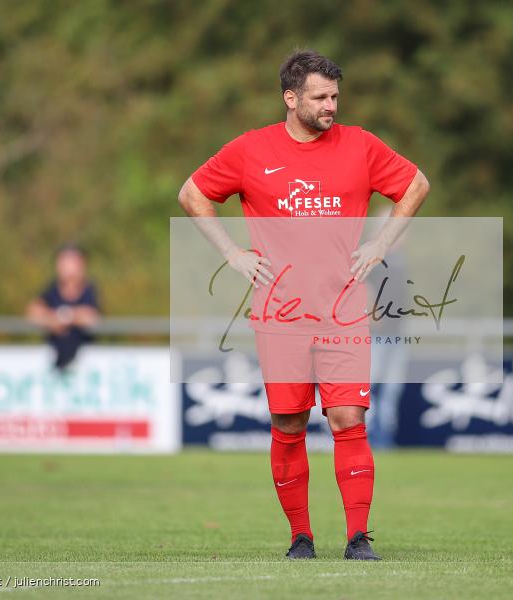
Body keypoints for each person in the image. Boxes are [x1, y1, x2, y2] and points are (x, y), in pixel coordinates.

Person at [178, 49, 429, 560]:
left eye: (335, 96)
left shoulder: (359, 145)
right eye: (320, 97)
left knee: (347, 418)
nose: (330, 105)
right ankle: (301, 538)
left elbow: (415, 185)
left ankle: (358, 537)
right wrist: (230, 252)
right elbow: (192, 193)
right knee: (289, 423)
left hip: (343, 310)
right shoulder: (251, 150)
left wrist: (380, 244)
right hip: (280, 314)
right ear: (291, 98)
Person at [26, 244, 101, 370]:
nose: (65, 267)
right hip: (55, 359)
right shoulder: (52, 288)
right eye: (62, 262)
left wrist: (65, 317)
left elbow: (91, 317)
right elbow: (33, 312)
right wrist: (52, 321)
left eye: (70, 262)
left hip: (83, 363)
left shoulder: (88, 289)